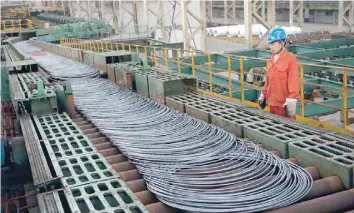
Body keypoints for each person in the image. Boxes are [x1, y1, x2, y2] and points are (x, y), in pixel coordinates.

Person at [258, 27, 300, 120]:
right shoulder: (271, 59)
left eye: (273, 44)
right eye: (270, 44)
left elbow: (294, 82)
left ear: (281, 43)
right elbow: (268, 82)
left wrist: (292, 100)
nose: (270, 47)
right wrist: (263, 94)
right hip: (272, 105)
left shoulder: (290, 60)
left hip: (284, 107)